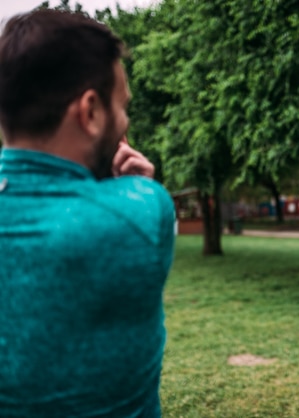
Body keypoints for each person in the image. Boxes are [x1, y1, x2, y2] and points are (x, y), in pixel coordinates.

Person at [0, 9, 175, 418]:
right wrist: (137, 185)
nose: (125, 121)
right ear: (91, 112)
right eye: (122, 107)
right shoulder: (143, 210)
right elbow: (144, 202)